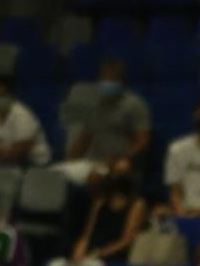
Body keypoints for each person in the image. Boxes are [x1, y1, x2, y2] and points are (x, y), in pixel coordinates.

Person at [61, 56, 150, 186]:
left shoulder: (135, 105)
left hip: (120, 163)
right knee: (54, 175)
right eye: (104, 78)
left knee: (96, 177)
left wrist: (120, 158)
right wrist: (68, 162)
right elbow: (84, 139)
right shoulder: (95, 106)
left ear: (121, 81)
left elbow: (143, 142)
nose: (106, 83)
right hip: (94, 162)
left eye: (111, 79)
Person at [68, 158, 145, 266]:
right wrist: (78, 252)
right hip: (92, 252)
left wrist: (99, 254)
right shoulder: (100, 202)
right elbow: (87, 235)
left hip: (113, 257)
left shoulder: (137, 204)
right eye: (117, 172)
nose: (120, 177)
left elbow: (126, 240)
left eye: (124, 173)